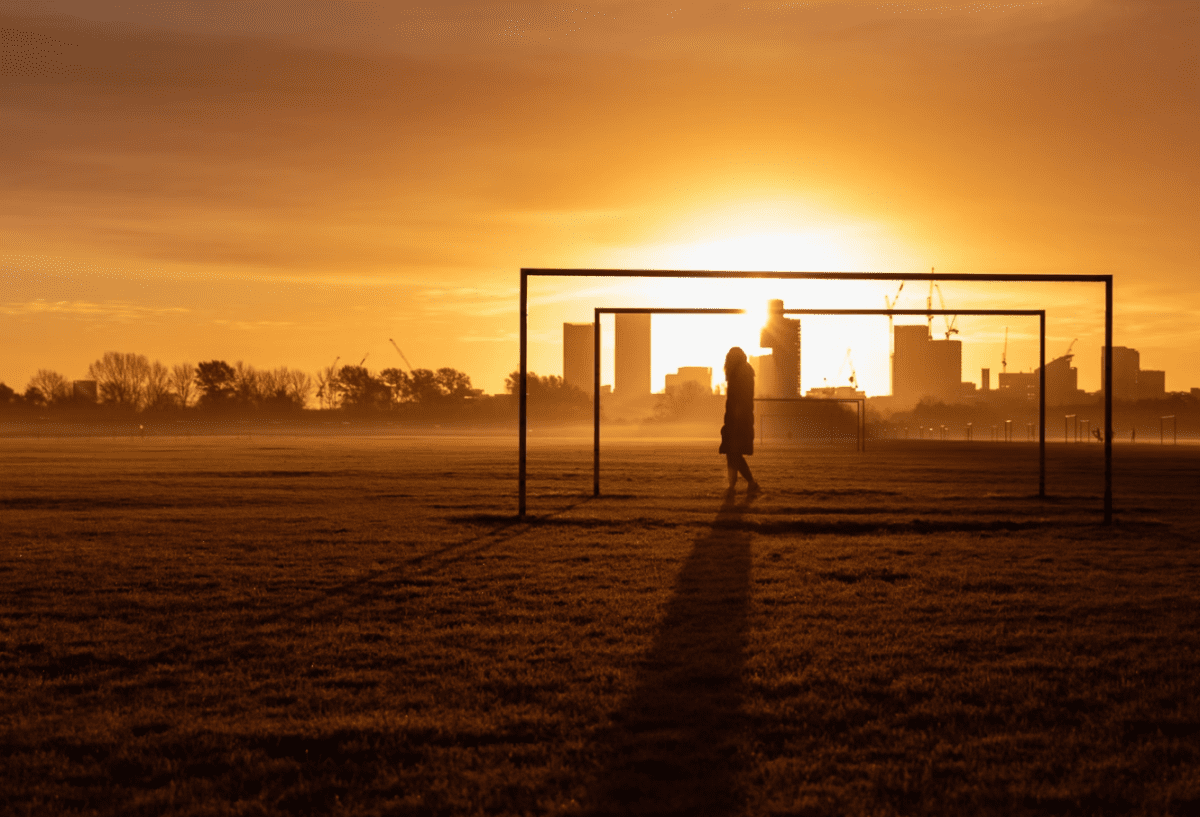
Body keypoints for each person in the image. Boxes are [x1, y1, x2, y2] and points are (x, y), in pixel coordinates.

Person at [719, 346, 760, 496]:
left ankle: (748, 483)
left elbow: (738, 399)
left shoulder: (740, 372)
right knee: (732, 452)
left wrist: (734, 419)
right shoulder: (743, 371)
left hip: (738, 420)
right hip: (737, 419)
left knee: (733, 452)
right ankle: (735, 485)